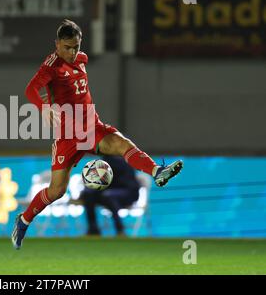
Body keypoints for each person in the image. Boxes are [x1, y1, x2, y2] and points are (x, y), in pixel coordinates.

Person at [12, 19, 183, 249]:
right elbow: (30, 89)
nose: (72, 52)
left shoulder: (82, 59)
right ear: (57, 44)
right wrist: (43, 106)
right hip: (68, 138)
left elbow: (70, 90)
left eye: (76, 46)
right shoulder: (50, 66)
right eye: (67, 47)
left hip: (93, 128)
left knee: (122, 144)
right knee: (57, 191)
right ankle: (23, 221)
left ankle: (157, 171)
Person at [81, 155, 140, 237]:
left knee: (108, 196)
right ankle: (93, 230)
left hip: (128, 193)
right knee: (88, 194)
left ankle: (120, 230)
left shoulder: (122, 160)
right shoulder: (103, 161)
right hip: (107, 192)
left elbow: (123, 183)